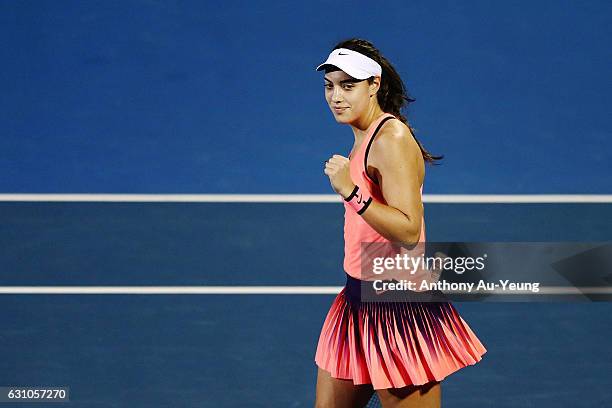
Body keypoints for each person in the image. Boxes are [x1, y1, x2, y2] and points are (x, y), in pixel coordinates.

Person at [314, 38, 487, 408]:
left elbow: (409, 230)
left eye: (348, 85)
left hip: (398, 308)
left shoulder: (390, 139)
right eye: (330, 86)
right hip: (357, 298)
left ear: (374, 85)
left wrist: (351, 192)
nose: (336, 97)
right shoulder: (365, 134)